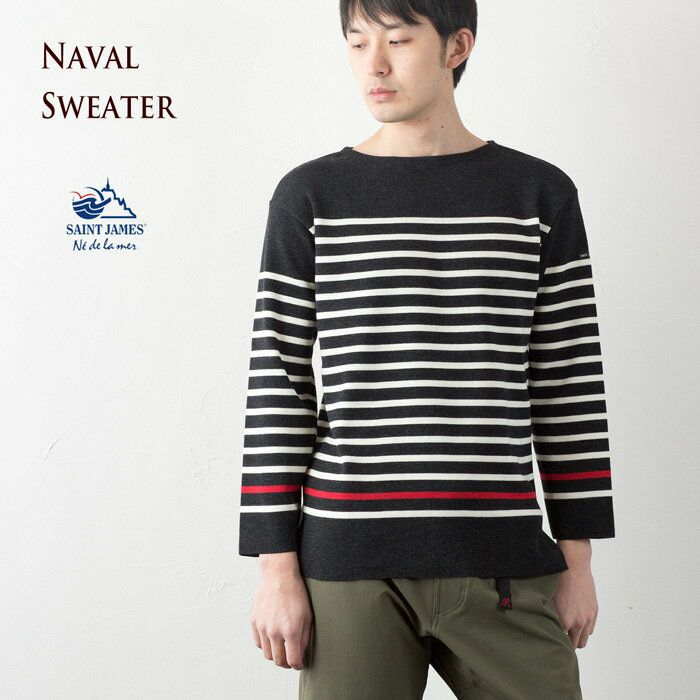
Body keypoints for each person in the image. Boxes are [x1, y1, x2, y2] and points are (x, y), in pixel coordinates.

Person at [238, 1, 616, 698]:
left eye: (398, 40)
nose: (374, 66)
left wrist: (578, 560)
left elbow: (567, 387)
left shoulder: (538, 194)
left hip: (503, 561)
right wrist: (275, 568)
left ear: (456, 46)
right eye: (357, 44)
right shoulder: (311, 197)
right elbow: (279, 384)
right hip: (351, 564)